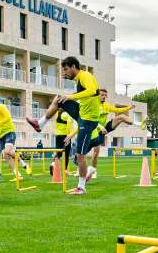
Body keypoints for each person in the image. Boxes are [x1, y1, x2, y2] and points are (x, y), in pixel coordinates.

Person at [26, 56, 102, 194]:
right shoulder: (79, 80)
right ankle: (40, 124)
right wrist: (71, 96)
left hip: (88, 120)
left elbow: (92, 91)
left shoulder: (84, 75)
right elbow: (86, 95)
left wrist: (72, 97)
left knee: (80, 155)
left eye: (66, 69)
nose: (64, 73)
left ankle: (81, 187)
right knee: (59, 99)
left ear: (74, 67)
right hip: (81, 113)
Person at [88, 89, 134, 176]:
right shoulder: (93, 106)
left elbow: (117, 110)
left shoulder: (106, 105)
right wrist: (100, 127)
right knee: (95, 152)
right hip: (93, 130)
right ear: (97, 95)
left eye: (105, 95)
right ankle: (91, 170)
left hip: (104, 129)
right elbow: (90, 120)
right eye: (102, 95)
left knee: (122, 117)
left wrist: (129, 108)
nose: (104, 97)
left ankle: (136, 124)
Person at [0, 93, 26, 181]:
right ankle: (18, 175)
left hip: (9, 132)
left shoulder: (1, 107)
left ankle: (22, 162)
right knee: (5, 156)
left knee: (7, 152)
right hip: (1, 136)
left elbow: (8, 118)